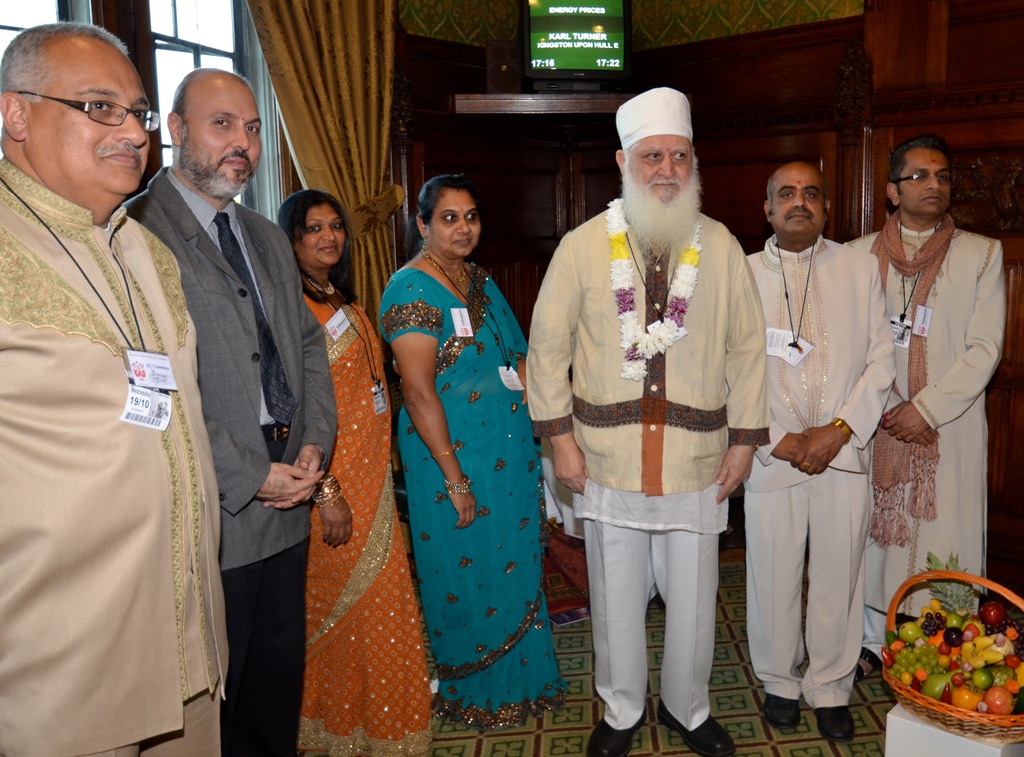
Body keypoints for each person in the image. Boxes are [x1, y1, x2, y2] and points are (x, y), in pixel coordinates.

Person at [0, 23, 226, 756]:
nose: (133, 131)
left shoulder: (145, 247)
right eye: (100, 108)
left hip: (189, 646)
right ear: (16, 114)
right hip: (59, 670)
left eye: (139, 113)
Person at [527, 87, 769, 757]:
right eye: (652, 155)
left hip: (698, 461)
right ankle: (622, 707)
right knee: (614, 594)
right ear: (622, 161)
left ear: (695, 162)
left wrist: (746, 443)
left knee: (695, 597)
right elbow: (546, 349)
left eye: (679, 156)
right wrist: (561, 443)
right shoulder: (580, 248)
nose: (666, 169)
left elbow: (750, 350)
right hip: (605, 458)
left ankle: (689, 709)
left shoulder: (720, 247)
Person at [126, 69, 337, 756]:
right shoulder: (133, 236)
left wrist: (315, 444)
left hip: (288, 507)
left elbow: (306, 343)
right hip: (208, 516)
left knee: (275, 697)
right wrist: (249, 474)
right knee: (212, 709)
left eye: (251, 128)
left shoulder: (263, 231)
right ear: (176, 130)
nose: (242, 143)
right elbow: (150, 391)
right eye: (223, 124)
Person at [379, 173, 566, 730]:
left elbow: (520, 356)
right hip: (450, 458)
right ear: (422, 225)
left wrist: (554, 428)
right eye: (449, 218)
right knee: (467, 566)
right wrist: (455, 478)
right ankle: (477, 688)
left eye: (471, 217)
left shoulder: (478, 280)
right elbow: (416, 391)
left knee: (514, 561)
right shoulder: (410, 289)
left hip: (506, 453)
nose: (463, 229)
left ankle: (526, 682)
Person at [276, 189, 433, 755]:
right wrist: (328, 492)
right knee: (350, 615)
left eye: (336, 226)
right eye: (313, 228)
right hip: (334, 491)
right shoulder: (291, 310)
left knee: (379, 612)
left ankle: (370, 725)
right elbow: (295, 415)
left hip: (375, 486)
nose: (329, 237)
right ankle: (335, 729)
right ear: (289, 239)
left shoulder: (339, 298)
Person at [744, 162, 895, 742]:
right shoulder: (743, 274)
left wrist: (839, 429)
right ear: (767, 208)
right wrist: (776, 437)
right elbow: (729, 369)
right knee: (772, 573)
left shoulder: (860, 270)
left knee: (840, 573)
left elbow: (882, 361)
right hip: (770, 451)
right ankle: (779, 682)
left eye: (810, 194)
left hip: (842, 452)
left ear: (828, 208)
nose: (798, 203)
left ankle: (831, 685)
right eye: (786, 194)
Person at [850, 134, 1007, 678]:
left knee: (945, 532)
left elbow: (985, 349)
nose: (933, 185)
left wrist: (927, 409)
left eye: (942, 176)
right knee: (873, 534)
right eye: (919, 176)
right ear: (892, 191)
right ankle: (872, 643)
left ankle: (946, 646)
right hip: (875, 421)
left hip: (949, 428)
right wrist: (888, 404)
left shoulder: (983, 253)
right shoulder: (855, 255)